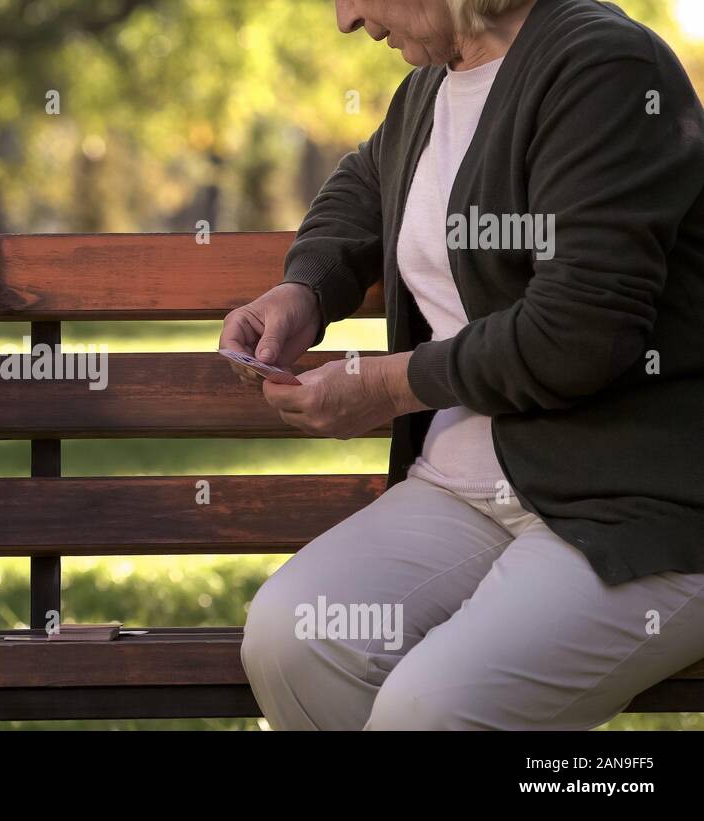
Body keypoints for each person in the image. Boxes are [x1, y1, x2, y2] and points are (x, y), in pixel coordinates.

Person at [225, 0, 704, 729]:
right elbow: (367, 186)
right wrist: (306, 290)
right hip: (464, 489)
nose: (344, 19)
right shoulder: (433, 83)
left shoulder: (606, 67)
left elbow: (579, 330)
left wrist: (388, 385)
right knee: (297, 636)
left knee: (434, 710)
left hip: (629, 511)